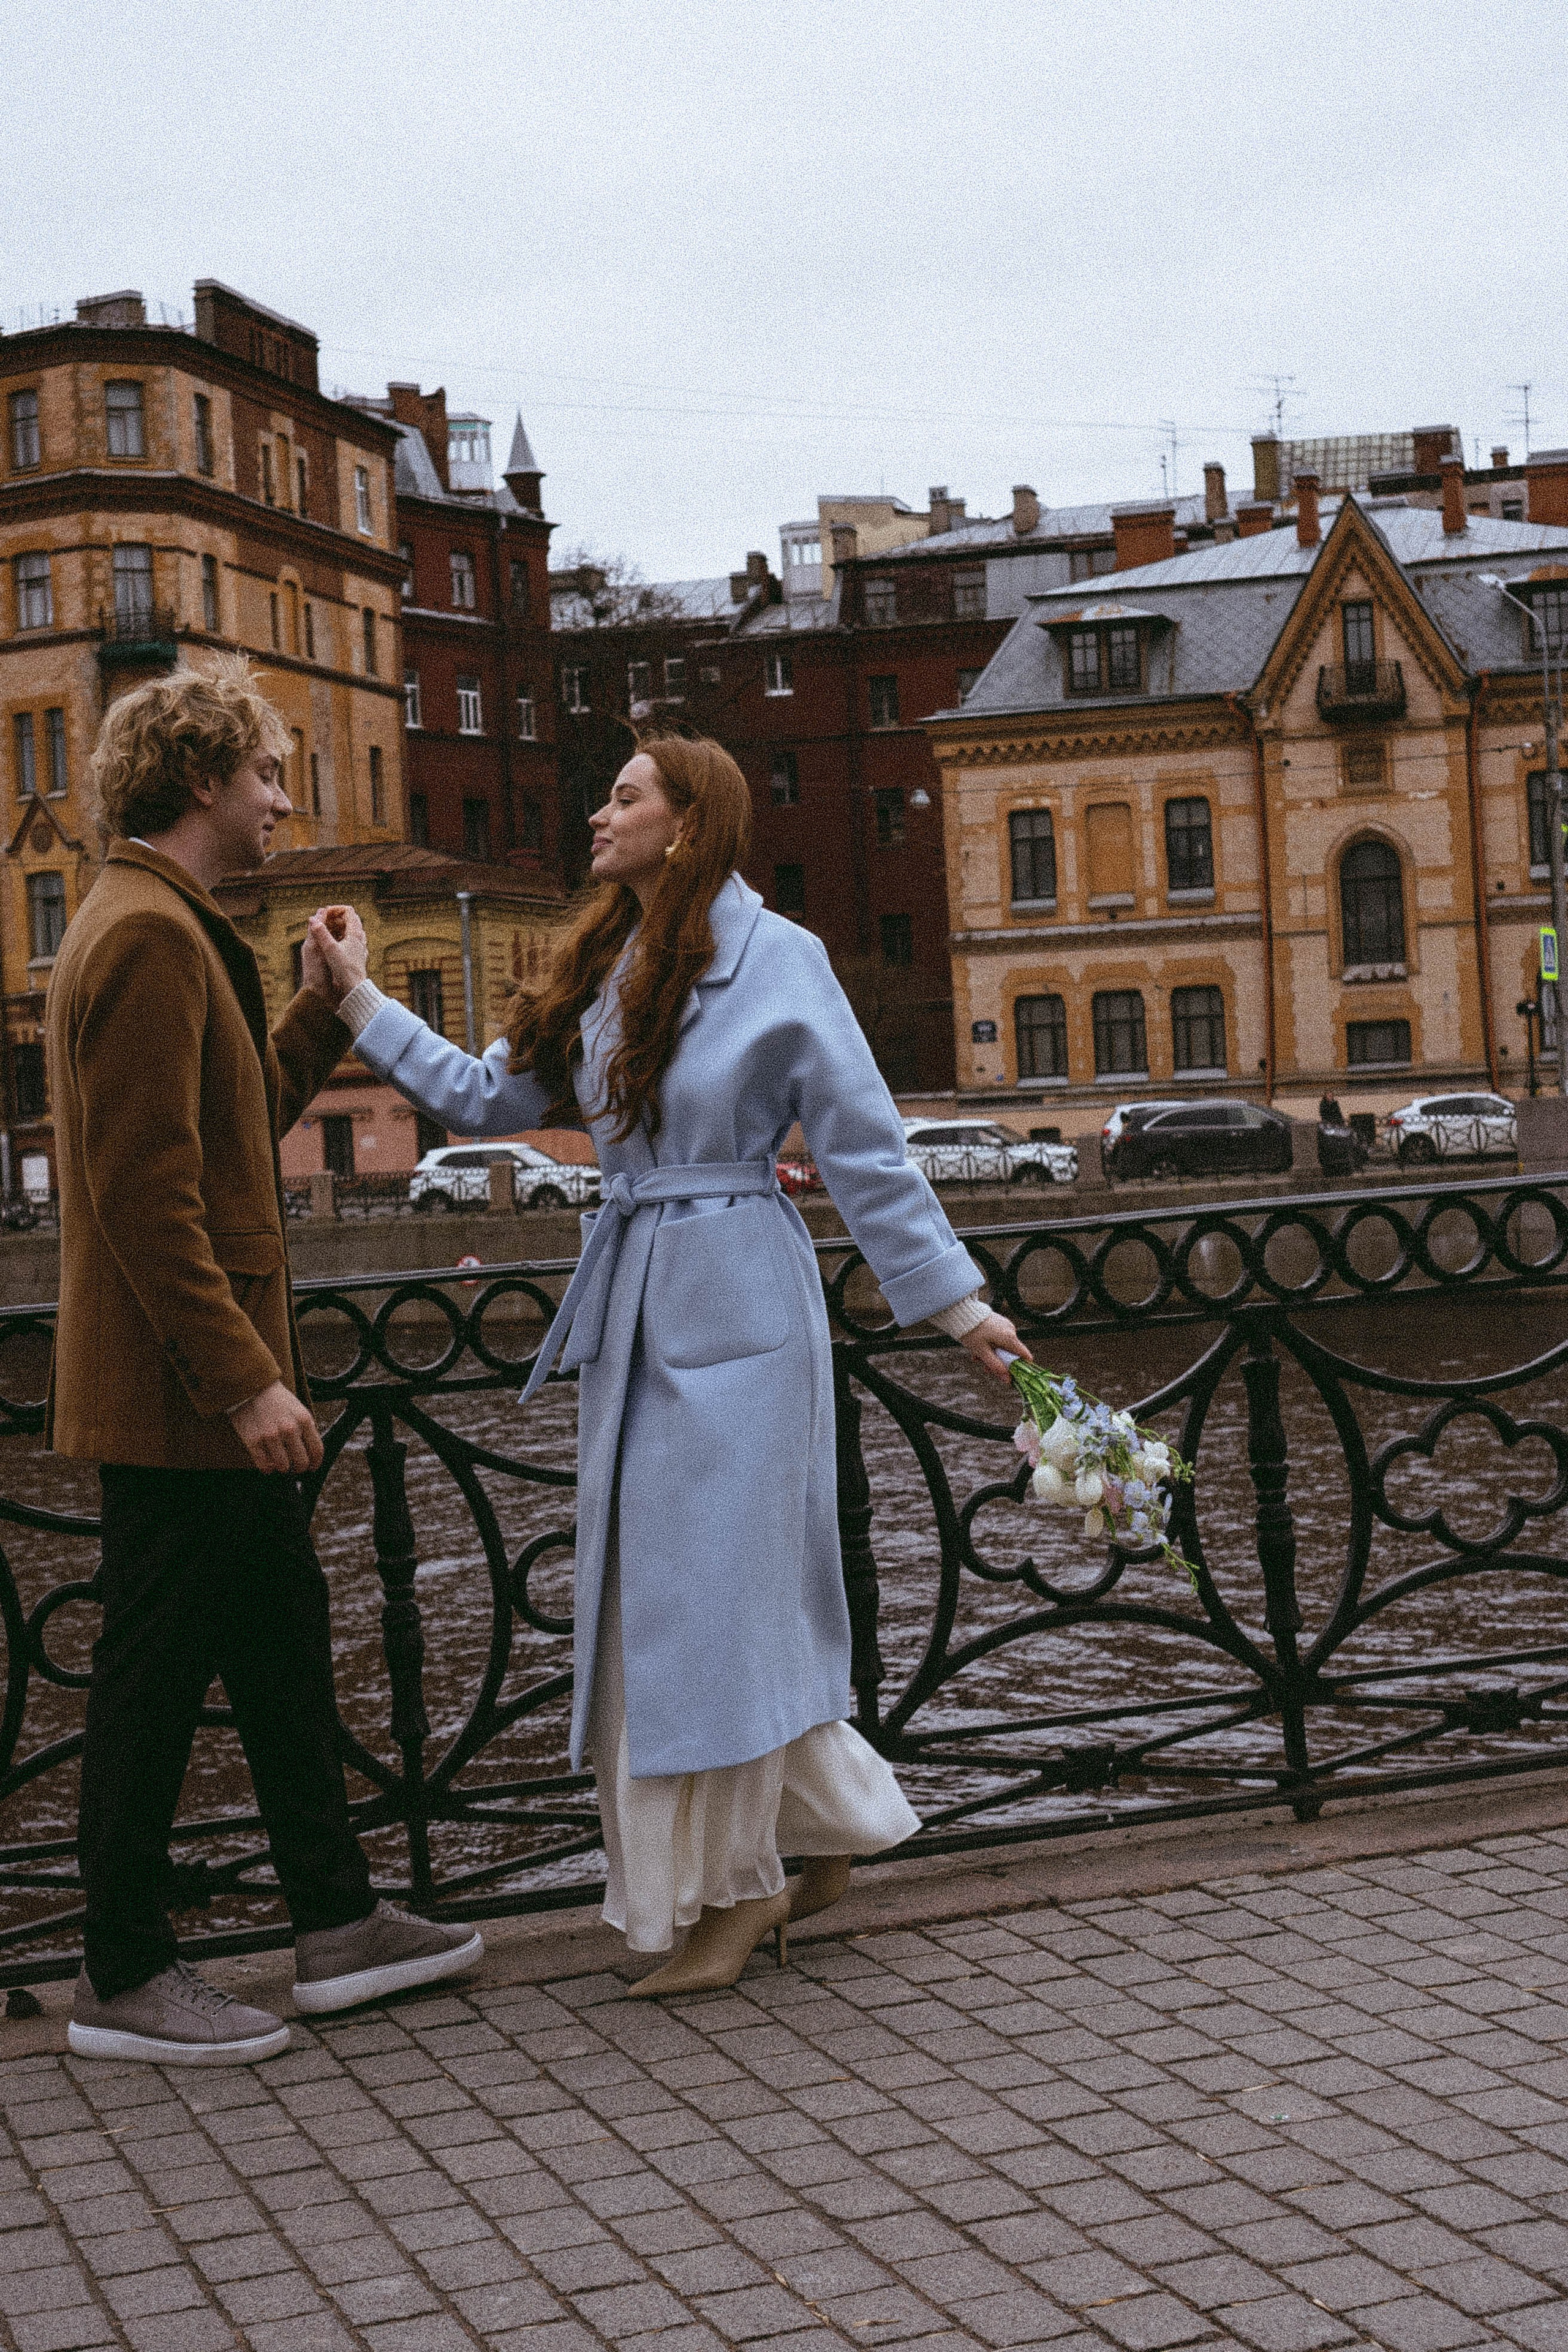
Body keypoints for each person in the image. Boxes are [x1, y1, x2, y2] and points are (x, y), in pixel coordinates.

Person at [304, 732, 1027, 1996]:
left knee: (718, 1603)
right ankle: (816, 1841)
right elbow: (484, 1098)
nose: (599, 813)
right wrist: (359, 996)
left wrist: (957, 1307)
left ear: (689, 824)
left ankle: (736, 1896)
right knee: (667, 1603)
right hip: (643, 1300)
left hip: (742, 1290)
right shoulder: (603, 959)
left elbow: (862, 1148)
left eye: (625, 796)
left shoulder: (781, 960)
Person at [47, 660, 482, 2065]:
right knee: (153, 1676)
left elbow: (232, 1135)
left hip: (201, 1391)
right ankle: (122, 1971)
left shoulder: (164, 925)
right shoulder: (145, 940)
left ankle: (337, 1926)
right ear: (199, 784)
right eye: (269, 778)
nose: (288, 803)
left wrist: (312, 1003)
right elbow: (142, 1194)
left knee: (284, 1647)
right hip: (183, 1396)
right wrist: (244, 1378)